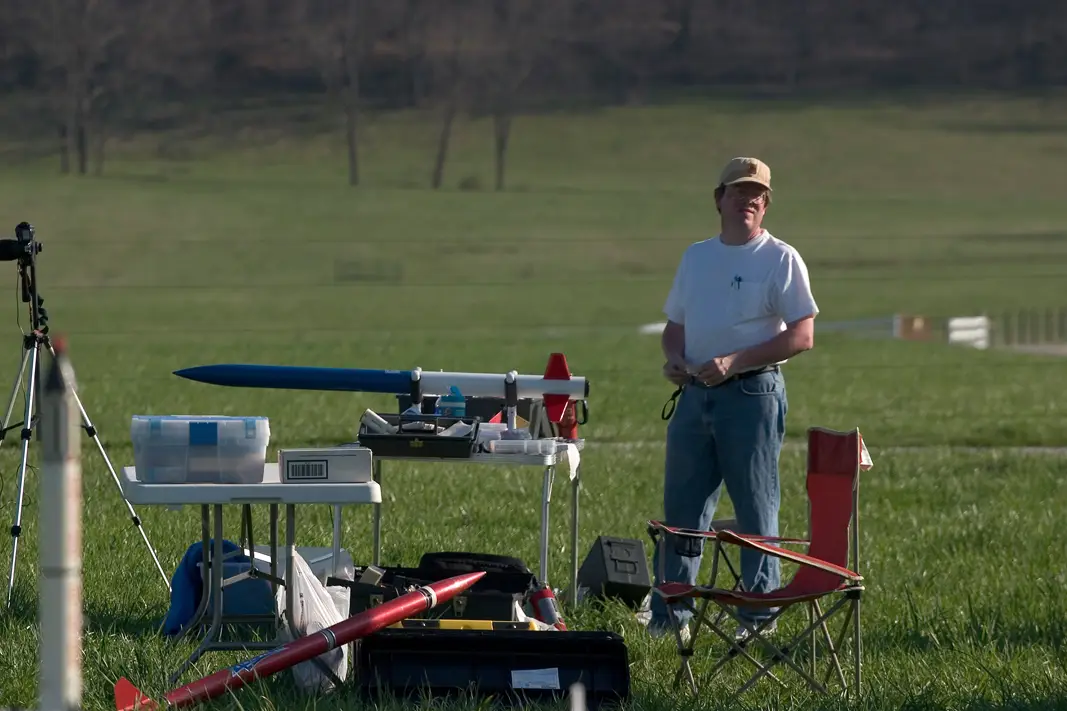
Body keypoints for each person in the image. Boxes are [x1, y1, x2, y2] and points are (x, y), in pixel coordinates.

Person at [647, 156, 819, 642]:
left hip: (752, 393)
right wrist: (675, 359)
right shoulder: (696, 257)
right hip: (694, 395)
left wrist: (736, 360)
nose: (748, 200)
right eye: (738, 191)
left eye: (757, 195)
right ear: (718, 198)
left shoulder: (780, 258)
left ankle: (756, 618)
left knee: (754, 507)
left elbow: (802, 335)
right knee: (681, 510)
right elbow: (674, 326)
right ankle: (670, 619)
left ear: (765, 206)